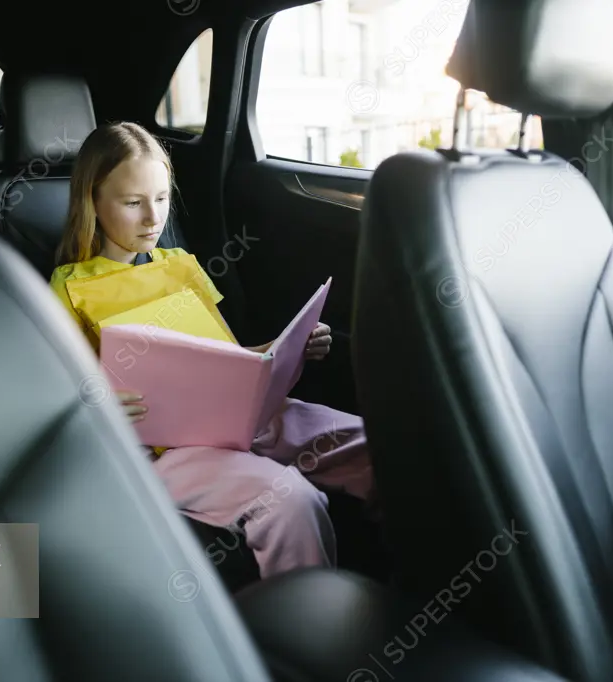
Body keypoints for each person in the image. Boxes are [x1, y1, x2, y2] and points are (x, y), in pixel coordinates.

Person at [49, 121, 375, 578]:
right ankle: (303, 627)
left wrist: (288, 347)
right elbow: (57, 395)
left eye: (161, 199)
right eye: (132, 203)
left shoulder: (180, 265)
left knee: (377, 444)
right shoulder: (71, 288)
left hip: (242, 418)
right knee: (292, 500)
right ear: (93, 202)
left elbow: (228, 355)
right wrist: (95, 401)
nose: (152, 218)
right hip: (165, 448)